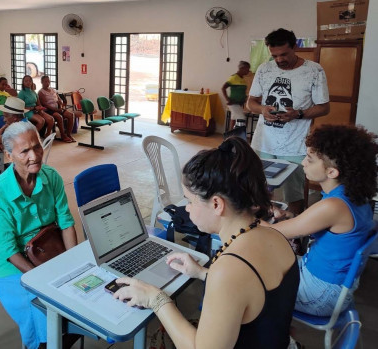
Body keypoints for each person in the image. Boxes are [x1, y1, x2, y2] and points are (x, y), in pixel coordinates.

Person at [112, 137, 299, 348]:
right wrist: (202, 273)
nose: (188, 208)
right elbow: (253, 293)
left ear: (217, 204)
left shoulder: (230, 269)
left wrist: (155, 298)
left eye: (190, 201)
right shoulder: (274, 236)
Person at [267, 125, 377, 316]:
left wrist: (245, 213)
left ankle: (282, 341)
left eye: (310, 159)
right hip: (333, 285)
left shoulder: (334, 206)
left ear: (332, 172)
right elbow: (322, 227)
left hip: (319, 294)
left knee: (247, 282)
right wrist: (291, 217)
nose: (303, 163)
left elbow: (273, 231)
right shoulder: (352, 196)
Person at [0, 121, 78, 349]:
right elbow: (8, 249)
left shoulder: (51, 177)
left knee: (76, 302)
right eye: (24, 151)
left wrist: (73, 263)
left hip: (49, 251)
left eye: (37, 147)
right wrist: (41, 281)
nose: (34, 156)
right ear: (8, 156)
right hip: (14, 266)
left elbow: (66, 222)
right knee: (43, 313)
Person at [247, 28, 330, 215]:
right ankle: (261, 231)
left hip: (295, 147)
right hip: (263, 144)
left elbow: (324, 107)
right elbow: (250, 103)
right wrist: (262, 110)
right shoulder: (264, 69)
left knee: (295, 196)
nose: (279, 60)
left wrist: (298, 114)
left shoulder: (314, 70)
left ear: (295, 47)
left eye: (284, 54)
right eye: (274, 55)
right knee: (258, 192)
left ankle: (295, 238)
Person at [38, 75, 75, 143]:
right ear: (42, 82)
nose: (47, 83)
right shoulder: (41, 92)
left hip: (58, 108)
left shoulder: (52, 90)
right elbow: (45, 104)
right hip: (49, 110)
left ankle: (68, 134)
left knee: (71, 115)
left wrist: (60, 102)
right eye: (45, 81)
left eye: (48, 81)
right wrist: (56, 110)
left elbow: (59, 99)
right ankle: (63, 135)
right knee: (59, 117)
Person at [221, 61, 250, 130]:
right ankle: (240, 136)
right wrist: (228, 99)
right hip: (233, 103)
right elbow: (223, 88)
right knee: (243, 119)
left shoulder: (242, 79)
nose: (248, 71)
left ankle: (231, 136)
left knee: (233, 119)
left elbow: (241, 92)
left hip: (239, 103)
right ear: (242, 68)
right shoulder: (234, 77)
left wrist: (245, 99)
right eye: (247, 68)